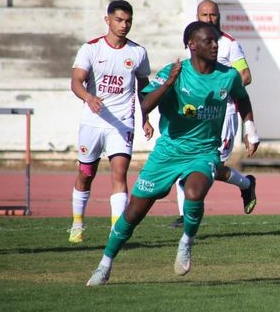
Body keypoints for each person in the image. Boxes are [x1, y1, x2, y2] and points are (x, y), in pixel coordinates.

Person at [86, 21, 260, 286]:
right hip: (168, 152)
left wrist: (249, 128)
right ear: (191, 45)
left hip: (203, 151)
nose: (215, 45)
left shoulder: (228, 75)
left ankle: (186, 241)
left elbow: (242, 97)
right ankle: (105, 264)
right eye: (208, 41)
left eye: (216, 41)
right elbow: (145, 105)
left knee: (194, 193)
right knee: (133, 213)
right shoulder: (174, 72)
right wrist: (169, 83)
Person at [68, 0, 153, 244]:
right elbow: (76, 82)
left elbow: (143, 88)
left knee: (120, 174)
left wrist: (146, 118)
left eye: (128, 21)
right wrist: (88, 97)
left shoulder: (138, 53)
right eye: (119, 20)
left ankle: (116, 232)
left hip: (123, 123)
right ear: (108, 20)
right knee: (86, 174)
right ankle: (77, 223)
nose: (124, 25)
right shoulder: (91, 49)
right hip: (93, 122)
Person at [170, 0, 257, 228]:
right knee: (190, 162)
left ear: (220, 17)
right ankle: (184, 215)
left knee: (210, 166)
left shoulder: (228, 44)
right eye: (204, 15)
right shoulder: (194, 42)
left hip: (222, 112)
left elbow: (245, 76)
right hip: (195, 114)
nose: (209, 19)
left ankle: (246, 185)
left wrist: (219, 86)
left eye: (213, 15)